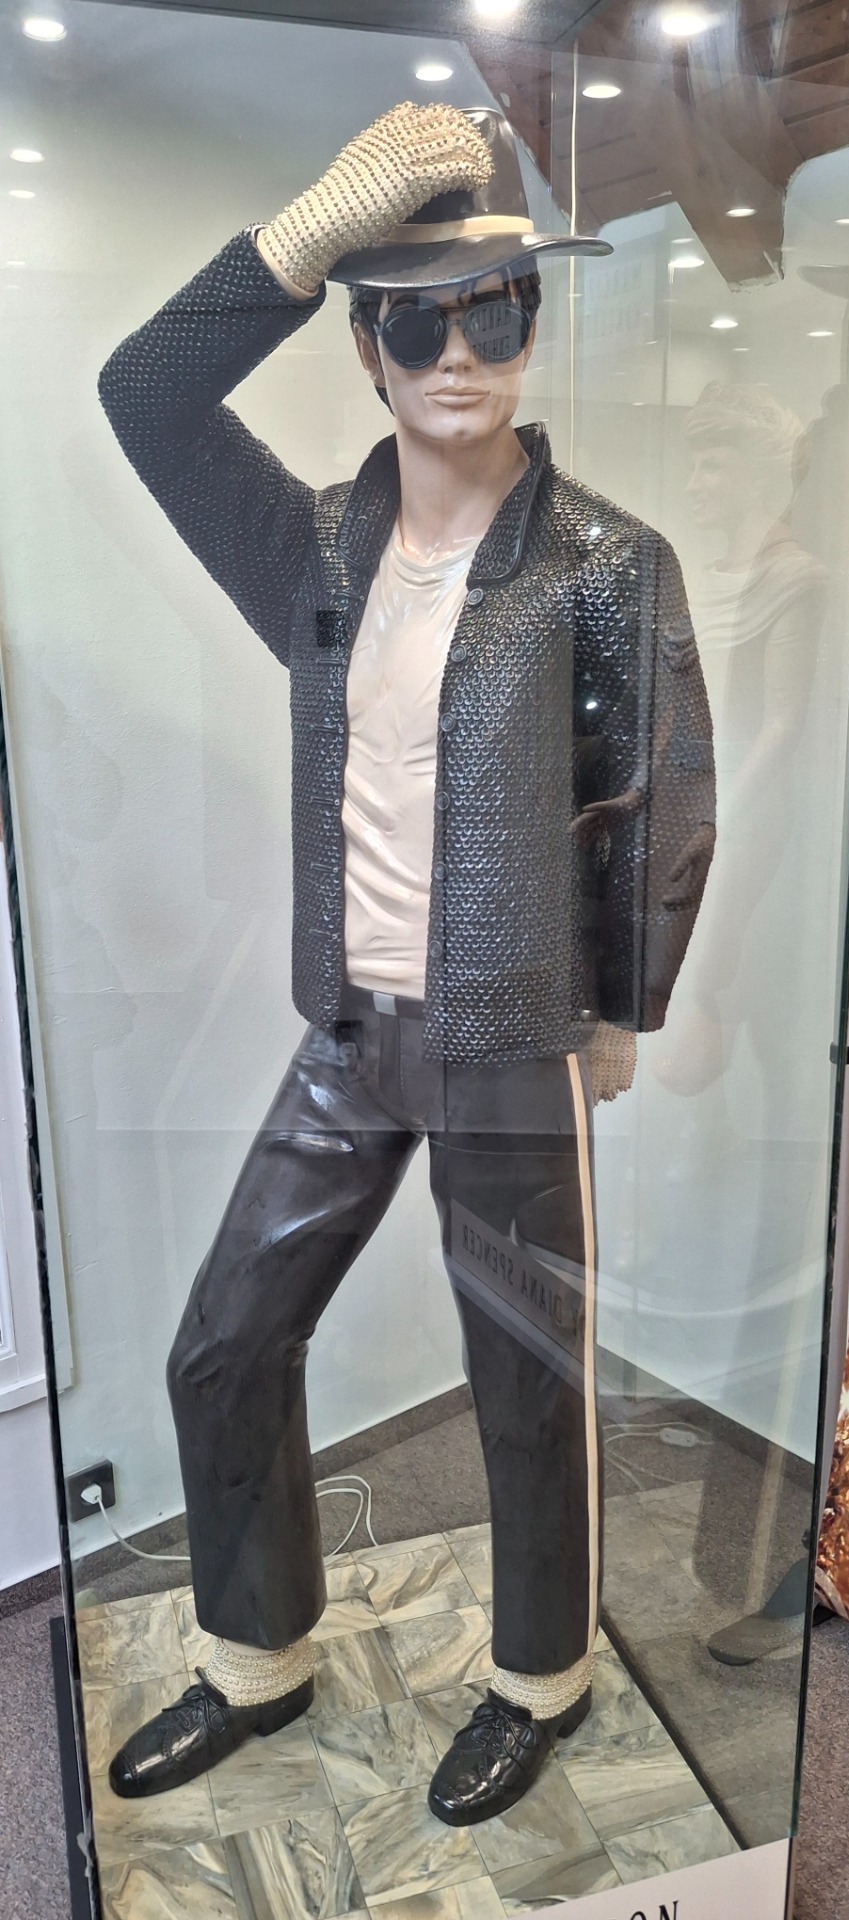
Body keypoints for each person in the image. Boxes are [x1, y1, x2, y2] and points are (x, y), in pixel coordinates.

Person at [97, 102, 714, 1825]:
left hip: (513, 1035)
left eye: (495, 311)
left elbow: (661, 797)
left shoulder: (602, 564)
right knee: (225, 1340)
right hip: (350, 1030)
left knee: (523, 1380)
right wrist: (308, 234)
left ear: (531, 321)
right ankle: (256, 1654)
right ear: (363, 347)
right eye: (418, 320)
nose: (461, 356)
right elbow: (143, 396)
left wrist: (622, 1006)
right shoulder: (312, 550)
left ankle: (540, 1681)